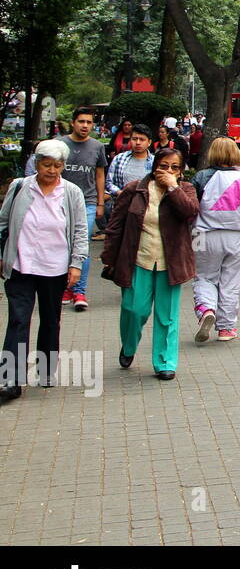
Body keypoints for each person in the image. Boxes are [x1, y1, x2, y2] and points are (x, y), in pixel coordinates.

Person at [0, 140, 89, 400]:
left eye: (57, 165)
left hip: (55, 266)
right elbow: (3, 222)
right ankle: (10, 380)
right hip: (21, 265)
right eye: (46, 164)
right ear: (36, 163)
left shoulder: (71, 193)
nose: (51, 170)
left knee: (51, 319)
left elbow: (81, 231)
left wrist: (76, 264)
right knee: (18, 320)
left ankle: (46, 369)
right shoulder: (20, 187)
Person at [100, 147, 198, 381]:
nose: (168, 171)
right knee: (134, 310)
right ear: (154, 166)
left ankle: (165, 362)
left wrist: (173, 187)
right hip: (138, 259)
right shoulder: (136, 190)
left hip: (170, 263)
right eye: (164, 166)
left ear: (181, 171)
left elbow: (190, 212)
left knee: (167, 316)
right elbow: (115, 225)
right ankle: (129, 345)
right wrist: (109, 257)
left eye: (175, 167)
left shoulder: (185, 189)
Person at [191, 137, 240, 344]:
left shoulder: (201, 178)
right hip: (237, 237)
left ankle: (206, 309)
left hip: (203, 235)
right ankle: (226, 328)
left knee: (204, 277)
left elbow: (188, 206)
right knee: (230, 283)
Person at [57, 106, 108, 313]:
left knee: (82, 246)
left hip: (86, 203)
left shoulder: (97, 146)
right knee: (62, 245)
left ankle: (79, 291)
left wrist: (100, 202)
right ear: (73, 123)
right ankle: (65, 288)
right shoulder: (60, 144)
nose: (85, 126)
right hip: (60, 202)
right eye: (81, 121)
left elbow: (99, 175)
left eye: (89, 122)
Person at [106, 125, 155, 224]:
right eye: (134, 139)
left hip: (147, 209)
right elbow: (109, 182)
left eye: (142, 139)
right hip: (122, 207)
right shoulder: (119, 158)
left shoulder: (155, 162)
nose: (138, 142)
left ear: (149, 142)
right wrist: (120, 193)